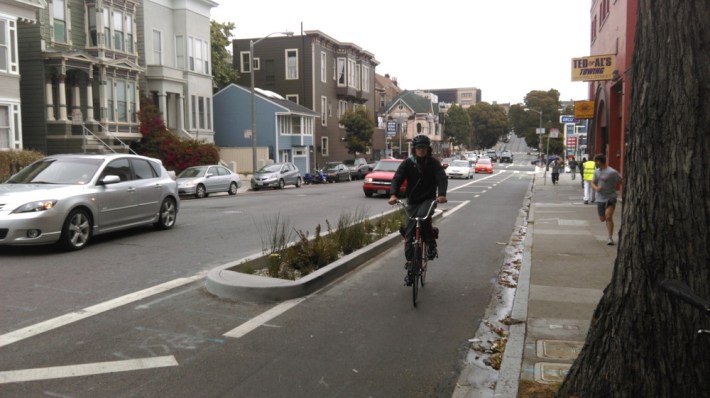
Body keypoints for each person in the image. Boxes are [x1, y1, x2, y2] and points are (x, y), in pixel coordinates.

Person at [388, 135, 448, 286]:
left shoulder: (433, 163)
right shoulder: (408, 163)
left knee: (422, 217)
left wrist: (441, 195)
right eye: (418, 148)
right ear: (414, 149)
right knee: (409, 233)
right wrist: (393, 194)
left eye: (423, 148)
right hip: (413, 201)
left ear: (428, 149)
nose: (421, 150)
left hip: (428, 199)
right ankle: (410, 265)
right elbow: (397, 178)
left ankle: (431, 244)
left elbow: (442, 178)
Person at [591, 154, 622, 245]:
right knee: (602, 218)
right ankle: (609, 233)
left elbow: (621, 181)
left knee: (608, 216)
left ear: (599, 162)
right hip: (600, 198)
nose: (595, 163)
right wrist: (596, 188)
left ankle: (610, 237)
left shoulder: (612, 172)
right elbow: (592, 183)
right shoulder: (596, 172)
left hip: (611, 197)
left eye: (595, 161)